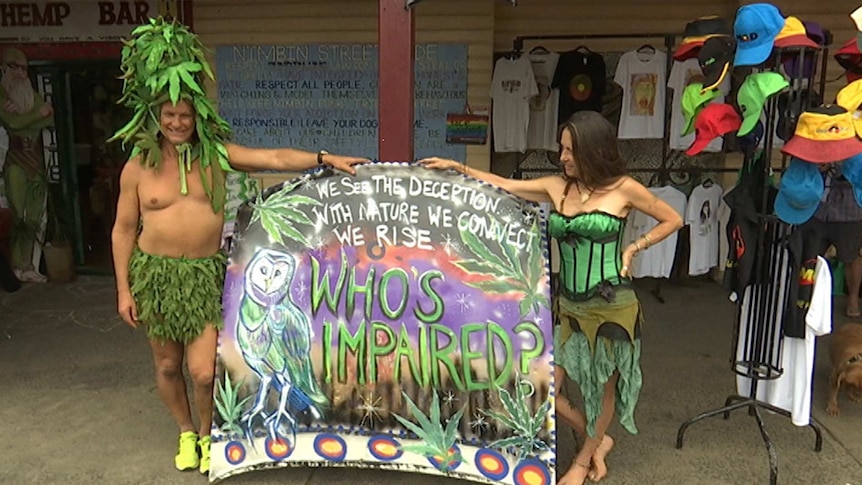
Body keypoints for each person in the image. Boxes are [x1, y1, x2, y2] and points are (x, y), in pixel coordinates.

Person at [109, 18, 366, 475]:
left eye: (184, 115)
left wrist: (325, 158)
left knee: (205, 371)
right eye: (168, 115)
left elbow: (273, 158)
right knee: (168, 367)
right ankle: (186, 431)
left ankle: (209, 436)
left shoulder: (216, 157)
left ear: (197, 117)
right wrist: (124, 289)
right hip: (156, 277)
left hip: (205, 275)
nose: (176, 123)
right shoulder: (138, 167)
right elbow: (123, 230)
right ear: (156, 118)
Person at [420, 110, 682, 485]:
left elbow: (673, 218)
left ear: (592, 151)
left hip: (611, 307)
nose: (562, 157)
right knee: (546, 390)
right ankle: (599, 441)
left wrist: (634, 248)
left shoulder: (625, 188)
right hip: (569, 307)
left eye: (569, 150)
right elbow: (500, 184)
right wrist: (458, 168)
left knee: (602, 390)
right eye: (561, 149)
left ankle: (581, 462)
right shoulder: (556, 188)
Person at [0, 47, 55, 283]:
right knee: (17, 215)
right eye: (15, 67)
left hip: (35, 159)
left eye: (24, 68)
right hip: (15, 161)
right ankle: (16, 265)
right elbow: (13, 123)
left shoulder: (31, 95)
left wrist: (32, 115)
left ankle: (30, 265)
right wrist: (36, 115)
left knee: (34, 215)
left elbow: (50, 116)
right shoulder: (3, 95)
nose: (21, 73)